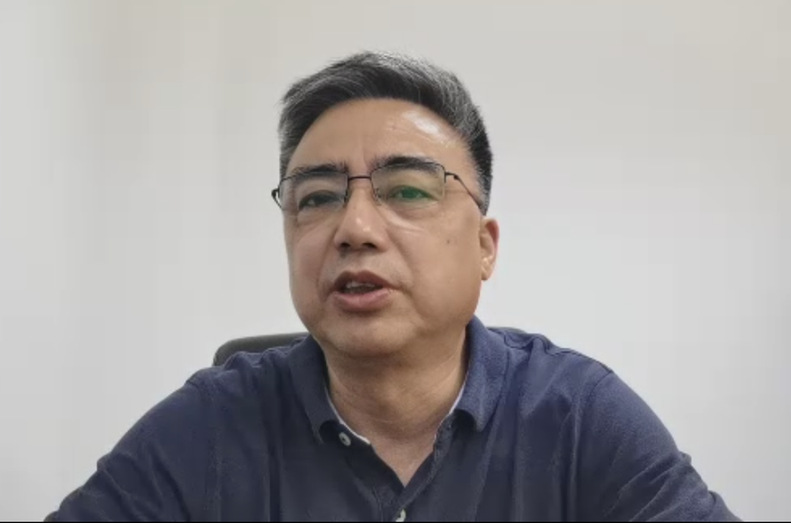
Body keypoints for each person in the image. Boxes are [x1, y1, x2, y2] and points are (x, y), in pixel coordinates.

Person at [49, 51, 739, 521]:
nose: (354, 227)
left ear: (484, 247)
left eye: (407, 190)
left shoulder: (578, 416)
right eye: (317, 198)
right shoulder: (212, 423)